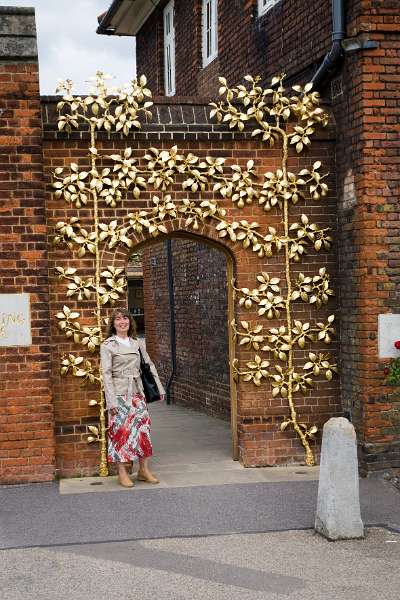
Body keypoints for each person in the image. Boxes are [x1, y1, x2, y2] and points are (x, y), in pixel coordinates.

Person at [100, 307, 165, 488]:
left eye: (125, 319)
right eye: (118, 319)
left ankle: (143, 470)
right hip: (120, 394)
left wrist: (159, 388)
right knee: (121, 433)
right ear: (113, 324)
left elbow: (149, 366)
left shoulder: (137, 343)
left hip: (138, 394)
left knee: (143, 430)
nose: (123, 322)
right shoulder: (108, 346)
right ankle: (122, 472)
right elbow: (106, 374)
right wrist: (111, 401)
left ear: (130, 322)